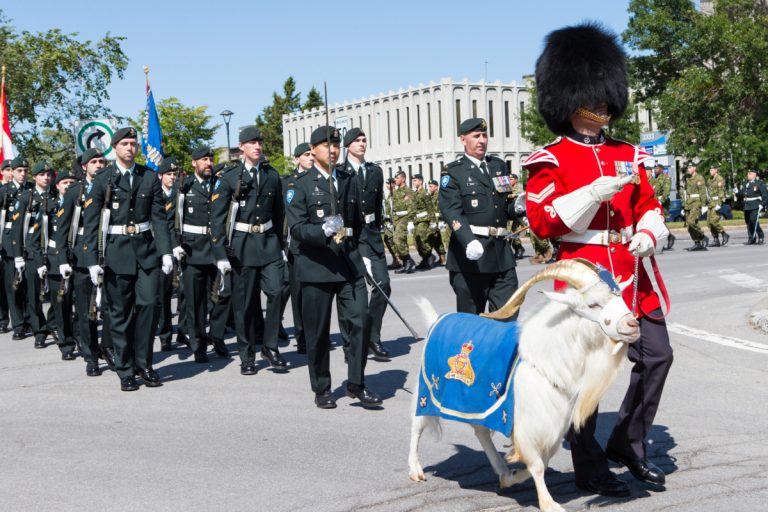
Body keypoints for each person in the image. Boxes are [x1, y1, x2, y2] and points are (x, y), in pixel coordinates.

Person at [525, 23, 672, 497]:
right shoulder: (551, 158)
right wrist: (590, 193)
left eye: (607, 94)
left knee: (657, 355)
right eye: (594, 95)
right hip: (584, 275)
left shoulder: (628, 153)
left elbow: (649, 203)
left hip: (631, 273)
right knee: (583, 374)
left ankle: (628, 442)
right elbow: (543, 221)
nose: (604, 104)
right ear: (570, 100)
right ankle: (588, 465)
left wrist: (648, 231)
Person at [285, 125, 381, 409]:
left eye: (337, 145)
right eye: (327, 145)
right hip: (316, 265)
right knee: (317, 333)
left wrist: (366, 254)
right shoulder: (299, 185)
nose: (334, 150)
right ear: (312, 150)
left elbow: (359, 223)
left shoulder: (349, 180)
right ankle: (322, 387)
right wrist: (323, 230)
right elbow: (297, 229)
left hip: (348, 263)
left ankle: (356, 383)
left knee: (361, 319)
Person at [82, 127, 173, 392]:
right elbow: (91, 223)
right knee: (120, 314)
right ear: (115, 148)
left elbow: (159, 218)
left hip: (146, 252)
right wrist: (91, 260)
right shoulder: (103, 179)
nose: (130, 148)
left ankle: (145, 363)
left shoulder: (149, 177)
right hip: (116, 252)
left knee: (149, 305)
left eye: (133, 143)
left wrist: (166, 251)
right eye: (125, 144)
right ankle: (125, 369)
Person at [211, 125, 287, 375]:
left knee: (277, 291)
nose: (257, 146)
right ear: (241, 146)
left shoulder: (271, 175)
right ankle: (247, 355)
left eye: (259, 142)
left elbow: (279, 213)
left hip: (268, 242)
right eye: (252, 142)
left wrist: (281, 244)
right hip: (241, 246)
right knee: (244, 304)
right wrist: (220, 253)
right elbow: (217, 218)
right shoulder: (230, 177)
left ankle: (270, 346)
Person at [438, 117, 519, 316]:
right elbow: (451, 211)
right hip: (471, 258)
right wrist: (468, 240)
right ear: (463, 139)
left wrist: (518, 207)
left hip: (501, 255)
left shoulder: (498, 166)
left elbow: (504, 206)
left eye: (484, 135)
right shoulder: (453, 171)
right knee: (471, 322)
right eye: (476, 136)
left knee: (508, 317)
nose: (482, 140)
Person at [57, 148, 114, 376]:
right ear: (84, 167)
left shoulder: (112, 186)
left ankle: (108, 347)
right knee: (86, 310)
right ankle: (91, 356)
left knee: (111, 307)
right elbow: (62, 228)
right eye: (94, 162)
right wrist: (62, 258)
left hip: (110, 252)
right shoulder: (74, 191)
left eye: (101, 161)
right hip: (82, 256)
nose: (99, 165)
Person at [171, 145, 229, 363]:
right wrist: (174, 245)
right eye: (204, 160)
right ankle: (199, 344)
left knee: (224, 295)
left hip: (217, 249)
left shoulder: (220, 184)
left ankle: (217, 335)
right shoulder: (184, 187)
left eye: (210, 159)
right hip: (193, 250)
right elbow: (170, 220)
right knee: (195, 302)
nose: (208, 163)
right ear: (194, 163)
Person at [338, 128, 390, 359]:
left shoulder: (375, 171)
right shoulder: (340, 173)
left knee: (383, 284)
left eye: (364, 140)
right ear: (347, 146)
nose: (362, 144)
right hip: (351, 237)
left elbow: (377, 206)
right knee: (351, 293)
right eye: (357, 141)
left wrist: (377, 230)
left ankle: (372, 337)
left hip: (371, 235)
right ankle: (350, 343)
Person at [11, 161, 60, 352]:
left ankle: (53, 324)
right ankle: (39, 331)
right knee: (33, 295)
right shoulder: (26, 197)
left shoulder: (57, 195)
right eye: (42, 174)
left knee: (56, 294)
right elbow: (17, 229)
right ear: (35, 177)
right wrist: (18, 255)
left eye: (48, 174)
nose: (46, 178)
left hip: (54, 250)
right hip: (32, 251)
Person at [283, 142, 313, 354]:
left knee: (315, 294)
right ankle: (301, 336)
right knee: (299, 293)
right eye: (306, 155)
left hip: (317, 243)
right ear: (297, 159)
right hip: (296, 245)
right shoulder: (288, 183)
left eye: (312, 154)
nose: (310, 158)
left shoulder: (319, 179)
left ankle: (316, 334)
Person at [2, 156, 31, 340]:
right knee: (13, 286)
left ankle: (30, 319)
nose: (23, 174)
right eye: (19, 171)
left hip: (30, 241)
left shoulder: (31, 190)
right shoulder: (4, 191)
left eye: (25, 171)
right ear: (11, 172)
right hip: (9, 243)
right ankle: (18, 324)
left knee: (29, 285)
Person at [156, 157, 182, 352]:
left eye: (175, 174)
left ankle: (180, 331)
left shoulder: (179, 194)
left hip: (178, 248)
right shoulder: (155, 195)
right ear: (160, 176)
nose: (172, 177)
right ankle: (163, 334)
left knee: (179, 293)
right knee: (160, 295)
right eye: (169, 174)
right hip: (158, 249)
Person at [391, 170, 416, 273]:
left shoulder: (408, 191)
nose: (395, 180)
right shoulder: (396, 192)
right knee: (401, 241)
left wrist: (410, 222)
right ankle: (406, 263)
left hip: (404, 219)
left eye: (397, 178)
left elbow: (412, 208)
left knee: (397, 239)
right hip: (396, 220)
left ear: (403, 179)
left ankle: (409, 260)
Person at [736, 169, 768, 245]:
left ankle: (760, 236)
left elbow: (765, 196)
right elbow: (742, 194)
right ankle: (751, 239)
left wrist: (762, 204)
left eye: (749, 174)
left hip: (755, 205)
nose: (748, 175)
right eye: (748, 173)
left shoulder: (759, 183)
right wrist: (737, 192)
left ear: (754, 175)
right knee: (748, 223)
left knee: (754, 221)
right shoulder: (745, 183)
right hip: (746, 205)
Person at [411, 174, 435, 269]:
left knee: (421, 237)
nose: (413, 182)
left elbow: (430, 208)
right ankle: (425, 259)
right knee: (415, 241)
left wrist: (433, 221)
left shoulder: (425, 193)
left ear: (420, 181)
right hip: (417, 221)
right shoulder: (415, 193)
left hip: (424, 220)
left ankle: (429, 255)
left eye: (415, 181)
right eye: (413, 181)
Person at [683, 163, 709, 250]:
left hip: (696, 202)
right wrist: (684, 205)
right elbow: (686, 193)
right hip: (689, 203)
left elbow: (702, 192)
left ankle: (702, 236)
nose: (688, 169)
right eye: (688, 168)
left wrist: (704, 205)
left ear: (695, 168)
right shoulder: (688, 179)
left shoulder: (699, 178)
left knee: (691, 222)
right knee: (689, 226)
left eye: (690, 167)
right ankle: (697, 243)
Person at [707, 165, 729, 247]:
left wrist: (719, 203)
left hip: (716, 202)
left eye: (712, 170)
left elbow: (721, 191)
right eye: (710, 170)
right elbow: (708, 192)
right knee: (709, 223)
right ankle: (716, 239)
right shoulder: (709, 179)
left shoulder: (720, 179)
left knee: (714, 221)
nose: (710, 171)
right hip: (710, 203)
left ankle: (724, 233)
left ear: (716, 170)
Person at [426, 179, 447, 265]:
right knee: (437, 240)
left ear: (436, 187)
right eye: (429, 186)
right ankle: (442, 258)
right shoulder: (430, 196)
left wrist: (443, 221)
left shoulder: (439, 196)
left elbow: (442, 208)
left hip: (438, 220)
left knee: (430, 238)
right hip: (433, 220)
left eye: (431, 186)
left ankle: (428, 257)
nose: (429, 188)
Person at [382, 177, 401, 269]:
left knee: (393, 240)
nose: (386, 185)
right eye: (386, 183)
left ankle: (398, 259)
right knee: (387, 239)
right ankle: (396, 259)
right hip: (388, 221)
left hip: (394, 221)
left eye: (388, 183)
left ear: (393, 184)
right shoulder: (389, 195)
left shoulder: (395, 194)